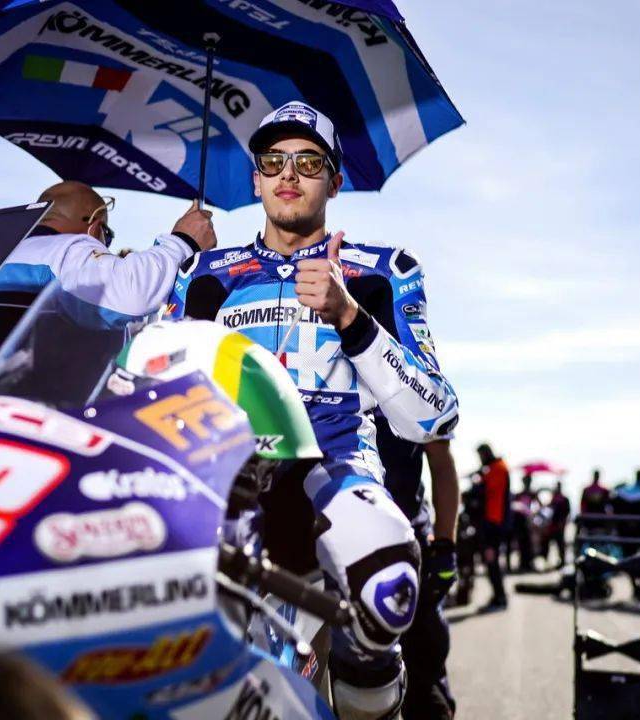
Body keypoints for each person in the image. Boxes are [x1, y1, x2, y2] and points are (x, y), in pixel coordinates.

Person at [170, 101, 459, 720]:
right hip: (229, 487)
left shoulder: (384, 270)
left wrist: (350, 315)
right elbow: (153, 389)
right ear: (255, 178)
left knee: (388, 580)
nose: (288, 174)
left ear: (335, 179)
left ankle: (368, 684)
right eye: (273, 161)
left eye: (308, 162)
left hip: (337, 472)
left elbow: (435, 417)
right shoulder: (203, 275)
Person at [0, 181, 217, 403]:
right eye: (107, 236)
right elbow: (131, 294)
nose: (106, 248)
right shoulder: (65, 248)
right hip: (37, 432)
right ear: (94, 225)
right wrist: (184, 241)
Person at [374, 415, 458, 719]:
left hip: (406, 543)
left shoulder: (412, 381)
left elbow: (440, 460)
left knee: (423, 673)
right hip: (326, 540)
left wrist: (444, 546)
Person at [474, 443, 510, 610]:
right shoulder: (493, 469)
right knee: (491, 562)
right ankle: (498, 596)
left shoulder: (498, 468)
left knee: (492, 561)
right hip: (491, 522)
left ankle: (500, 598)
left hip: (494, 523)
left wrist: (479, 478)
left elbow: (485, 490)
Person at [510, 473, 538, 572]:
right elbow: (514, 506)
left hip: (530, 522)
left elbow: (537, 506)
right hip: (520, 522)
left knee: (530, 544)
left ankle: (529, 563)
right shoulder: (519, 494)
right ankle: (523, 564)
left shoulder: (533, 494)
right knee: (522, 544)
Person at [547, 481, 571, 567]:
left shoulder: (564, 499)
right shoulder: (553, 498)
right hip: (552, 525)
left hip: (560, 525)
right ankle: (548, 561)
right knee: (550, 543)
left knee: (560, 544)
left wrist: (563, 522)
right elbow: (549, 511)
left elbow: (567, 511)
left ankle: (562, 561)